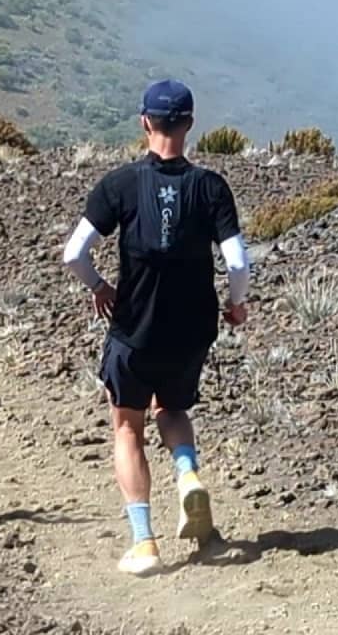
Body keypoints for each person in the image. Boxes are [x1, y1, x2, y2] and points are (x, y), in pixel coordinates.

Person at [62, 79, 250, 576]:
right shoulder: (211, 187)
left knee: (127, 426)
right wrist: (236, 305)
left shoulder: (120, 185)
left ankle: (145, 543)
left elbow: (73, 254)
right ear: (189, 124)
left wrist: (100, 287)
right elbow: (236, 262)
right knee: (173, 407)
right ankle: (187, 474)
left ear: (145, 122)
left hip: (133, 328)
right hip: (191, 330)